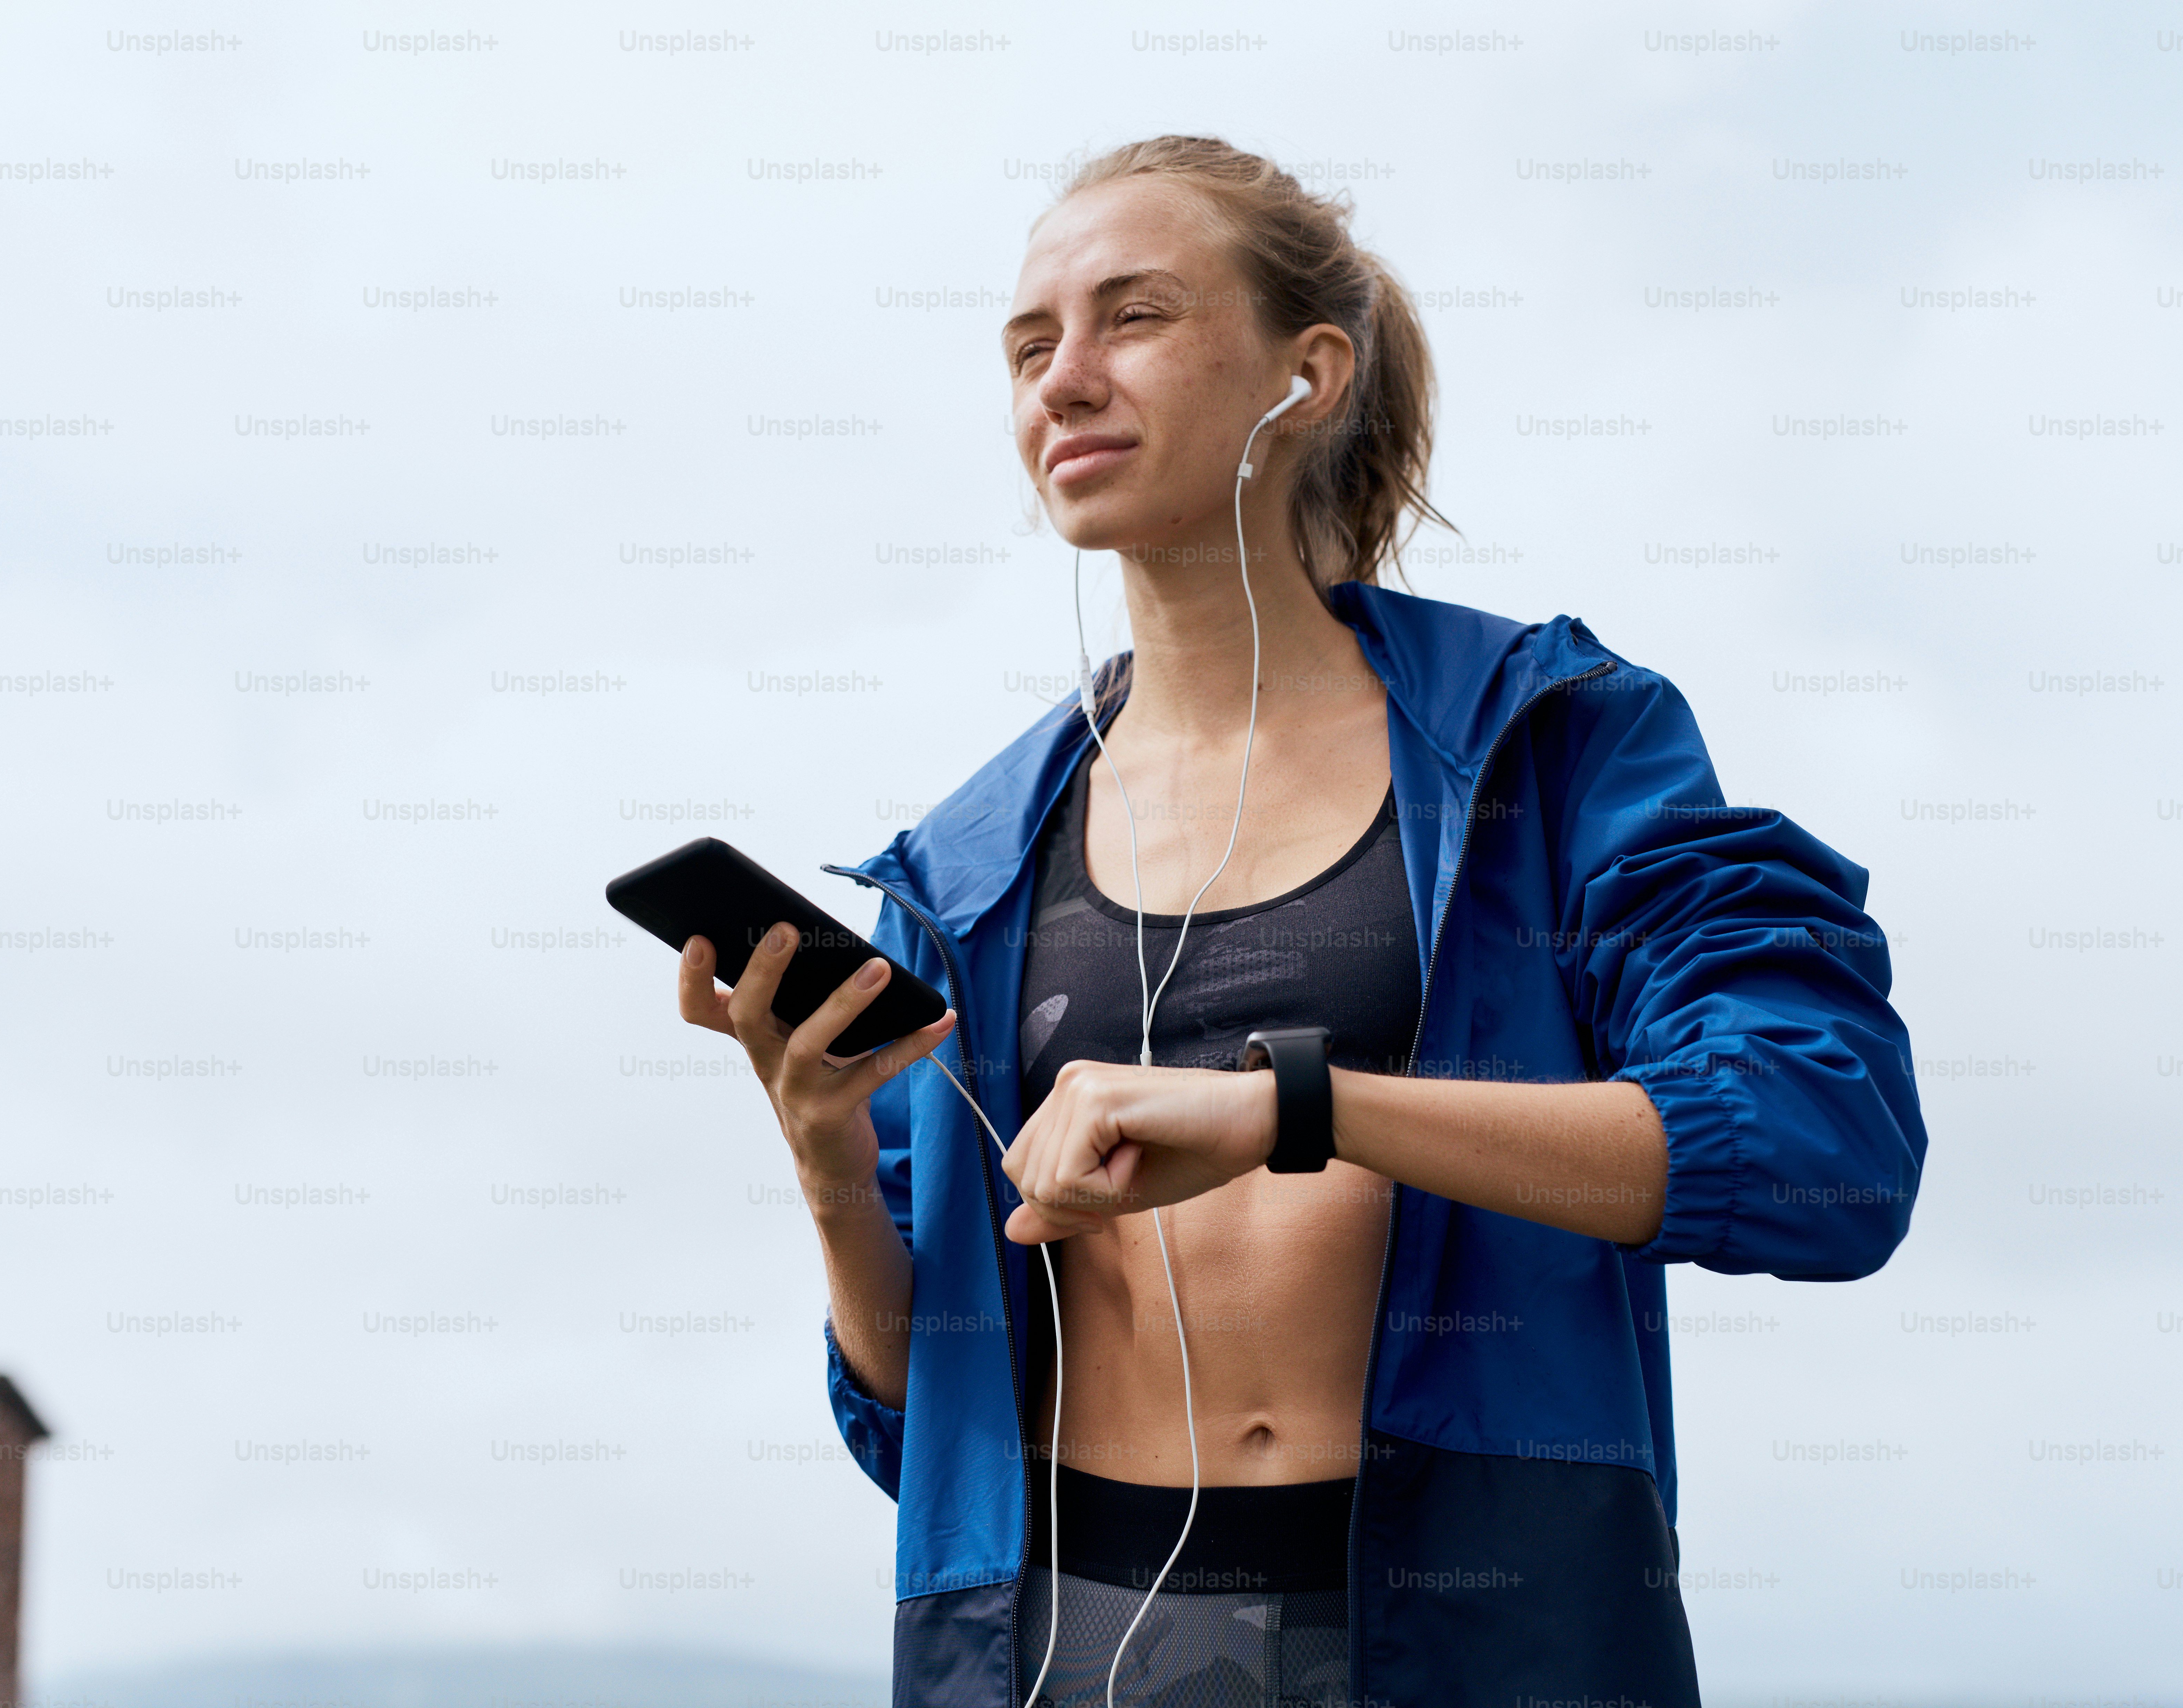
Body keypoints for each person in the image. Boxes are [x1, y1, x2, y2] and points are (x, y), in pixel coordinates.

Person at [677, 135, 1927, 1708]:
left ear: (1307, 374)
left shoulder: (1552, 747)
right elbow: (920, 1420)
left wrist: (1297, 1110)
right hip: (1065, 1645)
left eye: (1130, 318)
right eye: (1026, 344)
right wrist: (831, 1167)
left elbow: (1828, 1144)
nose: (1062, 380)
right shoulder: (969, 858)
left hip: (1471, 1638)